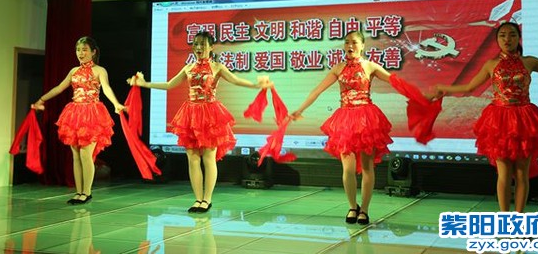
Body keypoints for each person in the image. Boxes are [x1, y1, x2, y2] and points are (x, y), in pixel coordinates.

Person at [433, 22, 538, 212]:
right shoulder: (491, 64)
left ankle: (519, 217)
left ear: (518, 38)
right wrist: (442, 88)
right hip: (499, 121)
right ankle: (505, 218)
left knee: (522, 174)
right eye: (503, 35)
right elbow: (469, 87)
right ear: (497, 40)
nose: (507, 39)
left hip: (524, 120)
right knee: (504, 175)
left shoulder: (529, 62)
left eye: (512, 35)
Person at [129, 31, 272, 213]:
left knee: (208, 158)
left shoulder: (217, 67)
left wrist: (257, 85)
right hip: (191, 114)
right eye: (195, 44)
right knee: (193, 159)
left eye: (202, 44)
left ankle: (207, 199)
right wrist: (144, 84)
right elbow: (169, 85)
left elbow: (236, 81)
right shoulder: (188, 68)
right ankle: (198, 199)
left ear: (211, 47)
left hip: (210, 115)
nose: (198, 47)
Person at [289, 30, 394, 225]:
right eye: (346, 42)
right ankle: (352, 206)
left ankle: (364, 209)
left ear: (362, 46)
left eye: (354, 42)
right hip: (345, 120)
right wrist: (300, 109)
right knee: (348, 169)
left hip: (366, 120)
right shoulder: (338, 68)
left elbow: (395, 81)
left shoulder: (370, 66)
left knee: (368, 167)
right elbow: (317, 90)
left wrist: (419, 96)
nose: (350, 46)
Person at [33, 36, 126, 205]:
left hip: (92, 114)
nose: (80, 53)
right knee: (75, 155)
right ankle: (79, 192)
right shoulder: (73, 71)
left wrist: (116, 104)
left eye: (84, 50)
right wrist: (41, 100)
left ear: (93, 52)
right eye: (78, 50)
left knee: (85, 154)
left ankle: (87, 192)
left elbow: (106, 88)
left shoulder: (99, 70)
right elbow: (59, 88)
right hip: (74, 114)